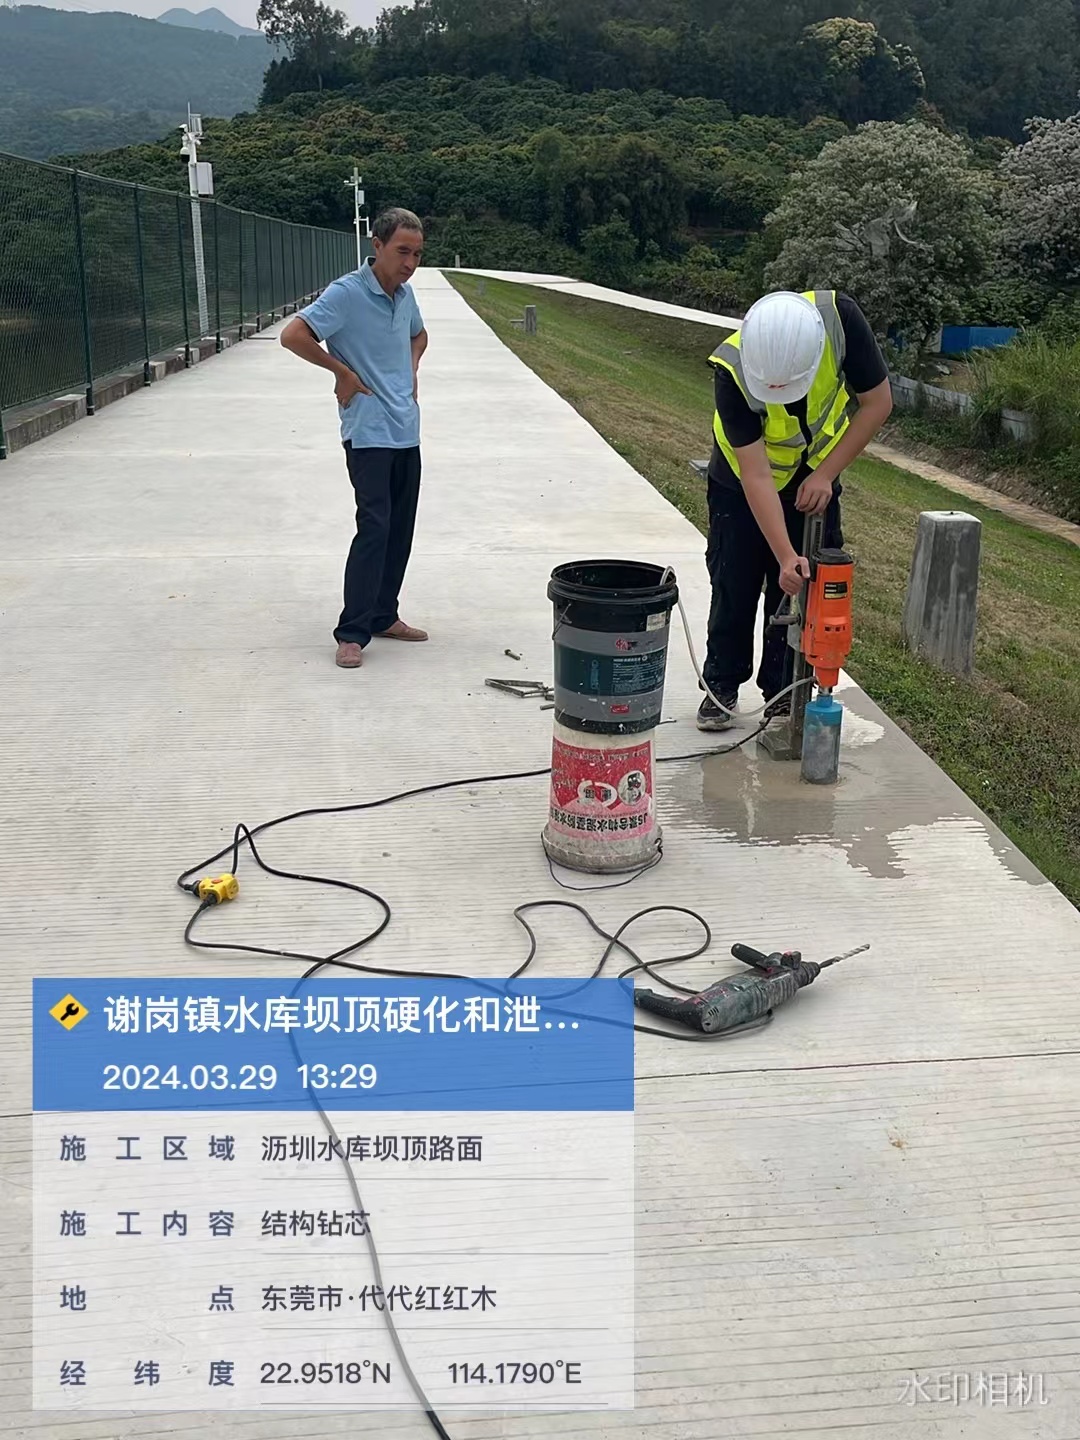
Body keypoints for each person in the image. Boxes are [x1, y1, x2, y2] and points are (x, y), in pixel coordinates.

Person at [696, 288, 892, 731]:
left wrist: (825, 474)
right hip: (740, 482)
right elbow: (756, 475)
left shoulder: (840, 322)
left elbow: (878, 403)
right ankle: (721, 685)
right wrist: (784, 554)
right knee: (734, 581)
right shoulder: (731, 369)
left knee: (804, 589)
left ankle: (782, 692)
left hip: (815, 474)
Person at [280, 207, 429, 669]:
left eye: (417, 254)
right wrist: (341, 372)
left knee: (400, 529)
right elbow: (293, 335)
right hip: (367, 432)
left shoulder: (405, 295)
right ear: (377, 246)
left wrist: (411, 369)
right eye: (402, 251)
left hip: (406, 430)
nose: (410, 263)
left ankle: (385, 615)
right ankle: (352, 632)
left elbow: (419, 336)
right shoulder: (346, 293)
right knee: (375, 527)